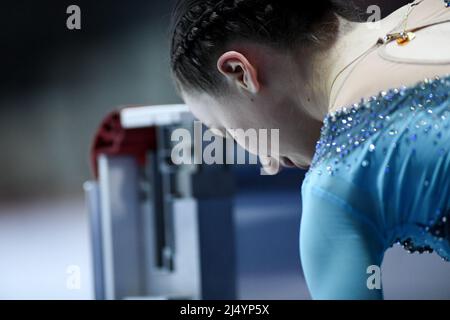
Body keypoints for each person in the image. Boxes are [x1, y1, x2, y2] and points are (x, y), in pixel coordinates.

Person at [169, 0, 450, 299]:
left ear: (240, 72)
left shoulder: (337, 182)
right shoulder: (434, 6)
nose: (269, 162)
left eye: (228, 133)